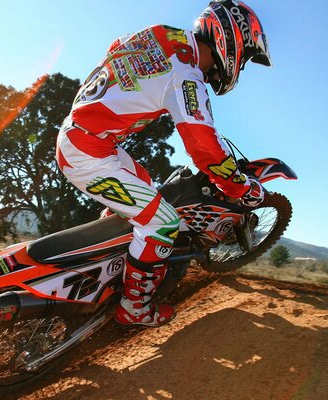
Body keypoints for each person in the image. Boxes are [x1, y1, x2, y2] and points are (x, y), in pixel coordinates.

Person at [55, 0, 272, 326]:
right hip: (89, 153)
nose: (239, 68)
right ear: (232, 42)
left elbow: (115, 47)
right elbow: (204, 148)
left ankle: (110, 255)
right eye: (244, 61)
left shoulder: (161, 33)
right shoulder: (187, 76)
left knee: (144, 188)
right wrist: (239, 187)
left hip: (87, 137)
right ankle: (133, 307)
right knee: (164, 223)